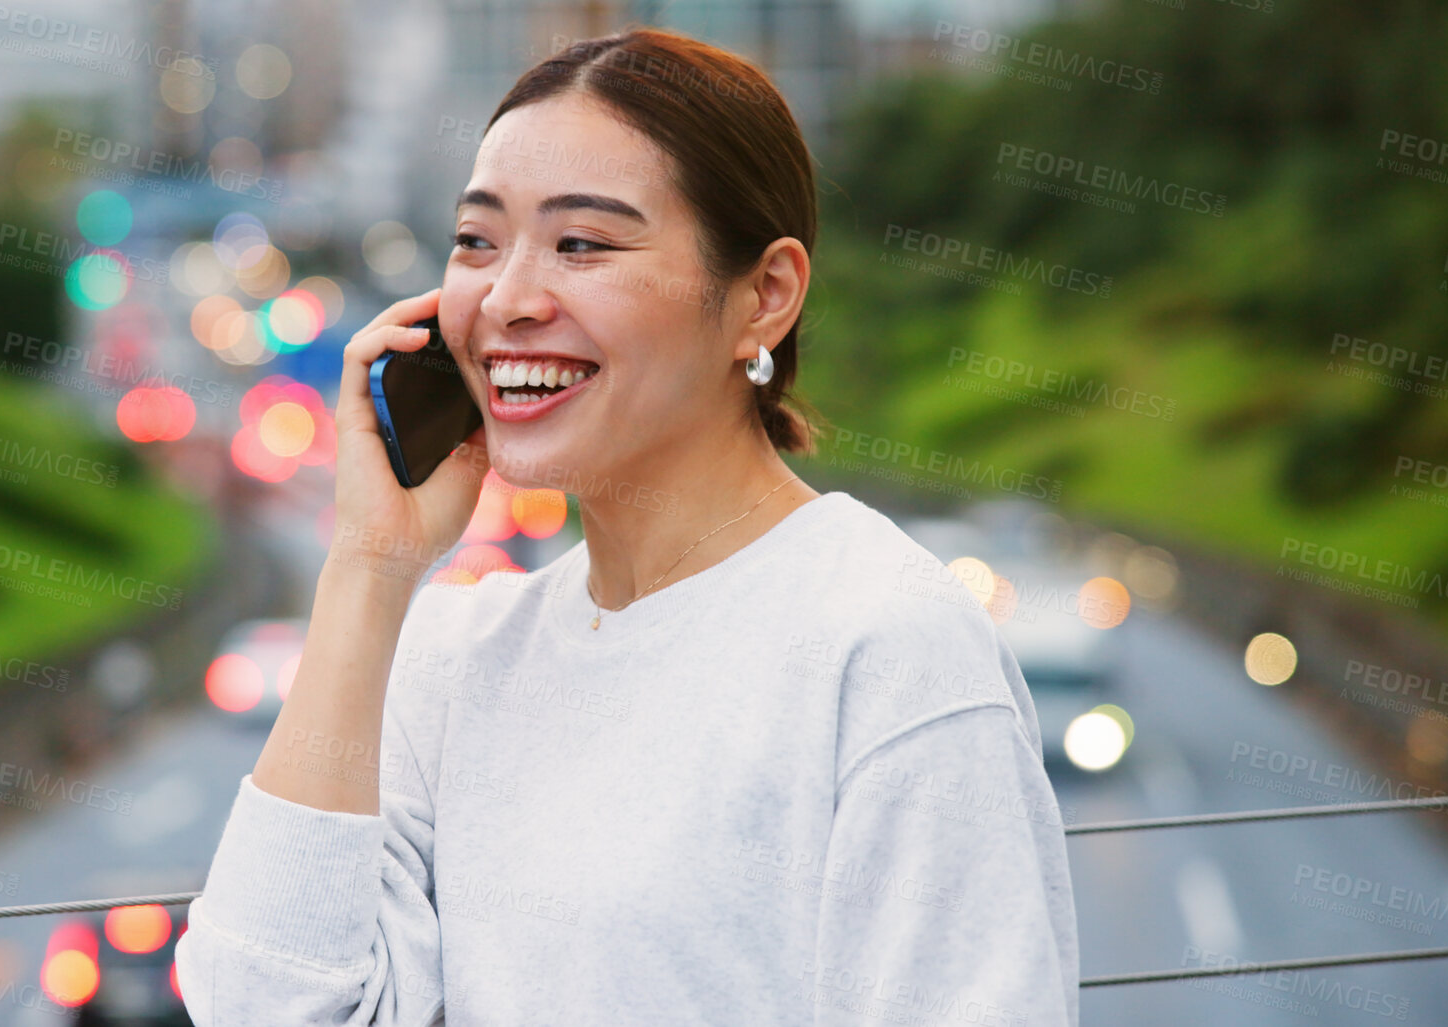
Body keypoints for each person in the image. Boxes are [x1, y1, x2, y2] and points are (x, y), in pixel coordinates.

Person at [175, 26, 1078, 1026]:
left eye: (584, 244)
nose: (508, 299)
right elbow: (263, 1007)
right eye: (478, 240)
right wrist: (368, 566)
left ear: (764, 297)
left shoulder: (888, 646)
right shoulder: (455, 653)